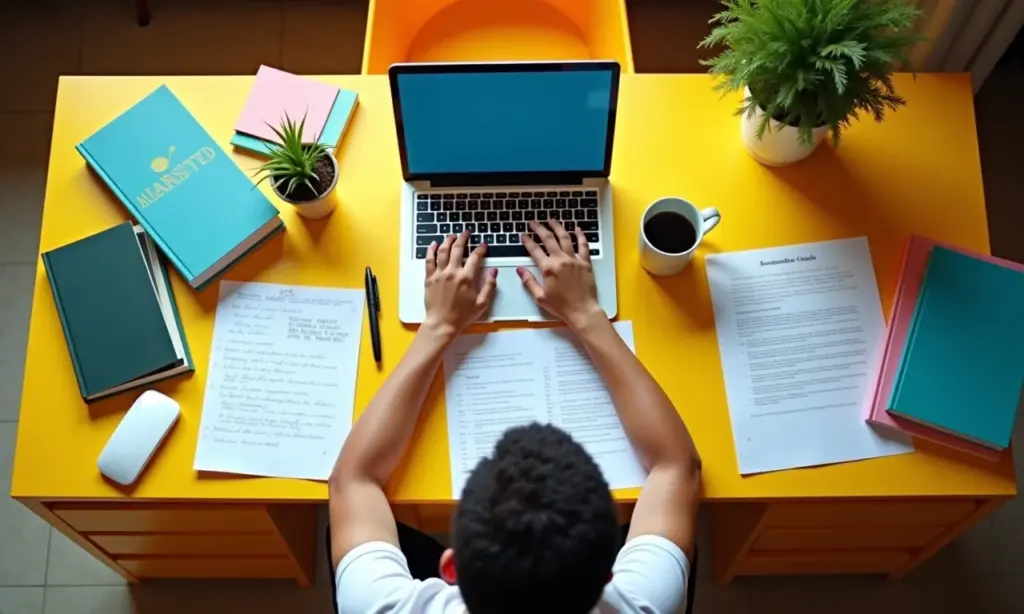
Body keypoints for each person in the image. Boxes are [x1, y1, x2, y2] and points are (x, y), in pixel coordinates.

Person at [328, 219, 702, 614]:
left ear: (451, 568)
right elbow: (677, 466)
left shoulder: (377, 608)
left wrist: (438, 326)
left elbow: (353, 479)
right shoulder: (647, 606)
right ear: (607, 577)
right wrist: (587, 313)